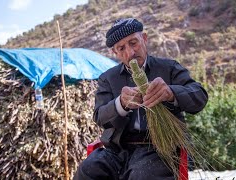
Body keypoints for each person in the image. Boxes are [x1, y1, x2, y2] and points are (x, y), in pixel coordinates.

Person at [75, 18, 208, 180]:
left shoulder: (169, 68)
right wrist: (121, 104)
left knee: (141, 175)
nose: (130, 53)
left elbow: (199, 96)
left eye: (133, 43)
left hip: (159, 150)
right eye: (121, 48)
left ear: (144, 39)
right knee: (88, 170)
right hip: (117, 150)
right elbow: (99, 116)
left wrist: (171, 92)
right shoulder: (107, 79)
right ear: (114, 53)